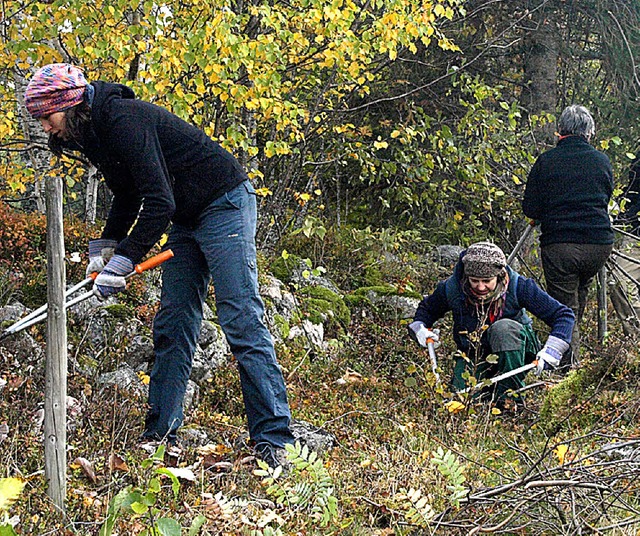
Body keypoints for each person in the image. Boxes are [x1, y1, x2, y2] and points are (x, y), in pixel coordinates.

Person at [24, 63, 294, 466]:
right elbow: (128, 194)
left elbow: (159, 201)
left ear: (67, 103)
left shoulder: (122, 120)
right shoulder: (93, 132)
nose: (45, 127)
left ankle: (275, 441)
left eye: (45, 116)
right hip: (186, 219)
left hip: (225, 203)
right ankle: (161, 435)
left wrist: (125, 260)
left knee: (240, 316)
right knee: (173, 322)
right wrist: (105, 249)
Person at [408, 242, 575, 405]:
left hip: (517, 351)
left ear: (499, 275)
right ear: (467, 276)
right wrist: (420, 329)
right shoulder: (452, 288)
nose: (481, 287)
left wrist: (553, 350)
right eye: (474, 280)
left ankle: (509, 400)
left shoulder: (518, 286)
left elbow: (563, 315)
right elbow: (426, 310)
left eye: (487, 280)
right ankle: (487, 391)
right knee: (461, 399)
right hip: (474, 353)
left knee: (503, 329)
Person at [522, 104, 614, 366]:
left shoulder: (547, 161)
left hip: (561, 245)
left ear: (560, 130)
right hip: (598, 245)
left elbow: (531, 208)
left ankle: (567, 370)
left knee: (564, 309)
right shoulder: (602, 161)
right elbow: (605, 198)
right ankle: (571, 354)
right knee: (577, 297)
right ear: (590, 132)